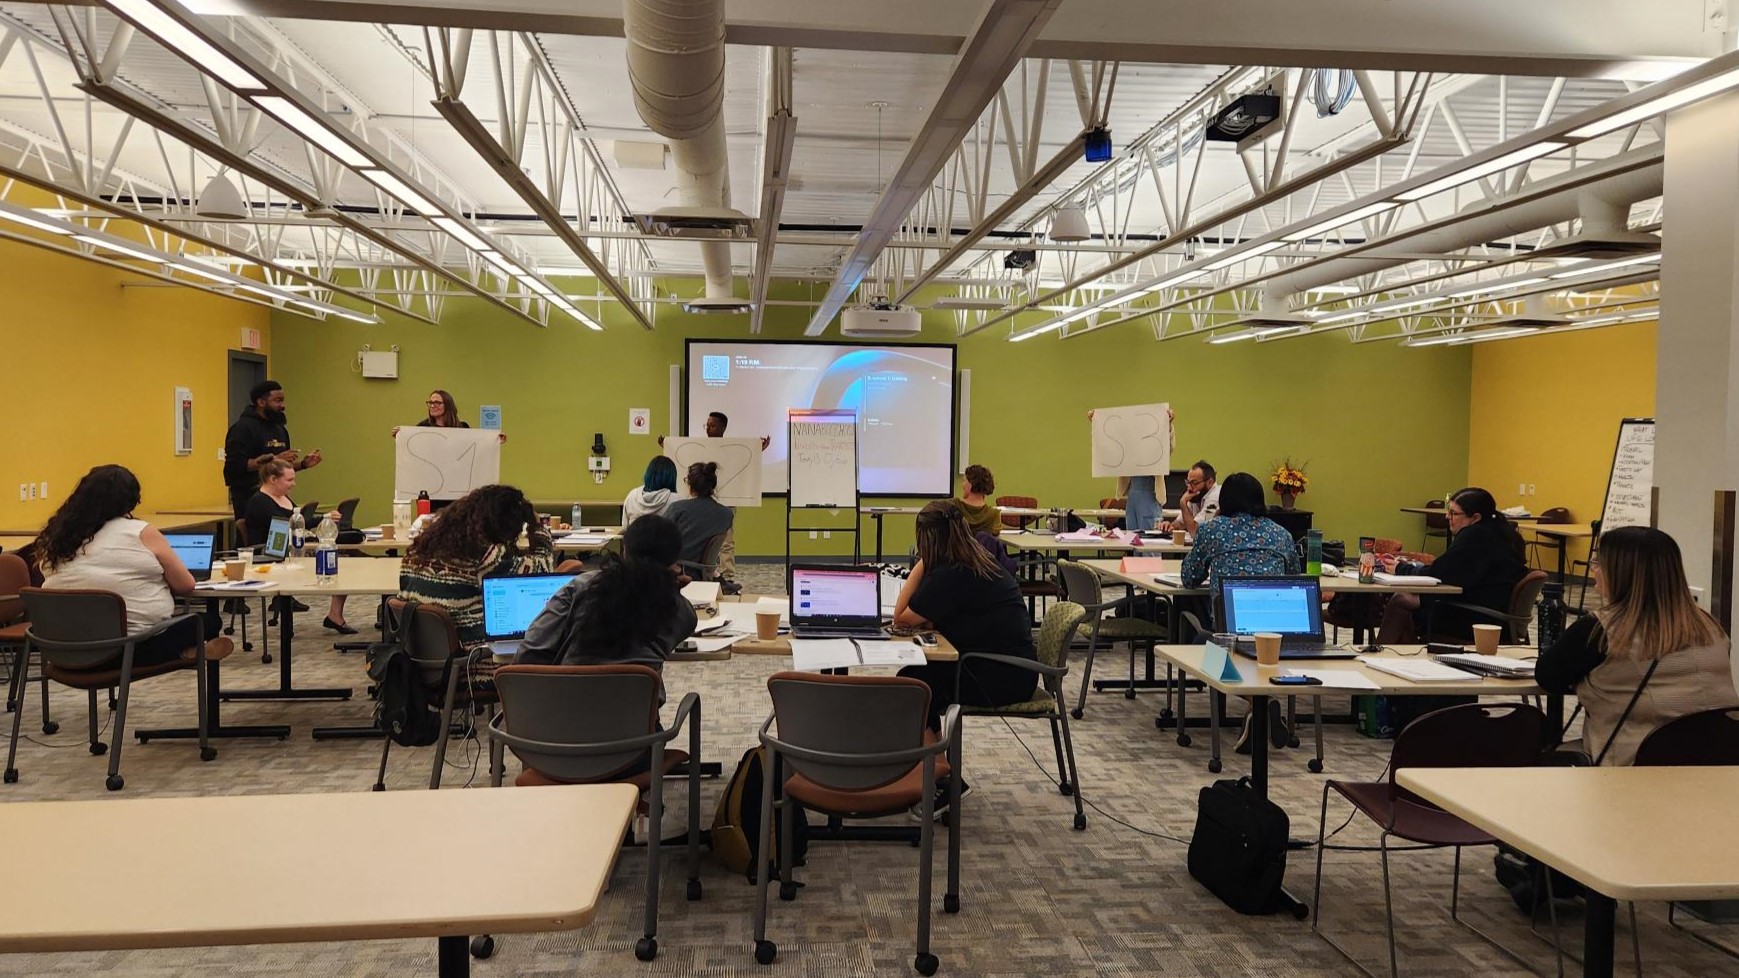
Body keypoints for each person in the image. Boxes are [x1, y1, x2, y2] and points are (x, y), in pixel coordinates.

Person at [1537, 527, 1739, 765]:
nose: (1594, 571)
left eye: (1597, 563)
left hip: (1636, 770)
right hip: (1717, 767)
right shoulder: (1711, 626)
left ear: (1618, 573)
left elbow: (1548, 676)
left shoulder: (1601, 630)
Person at [894, 501, 1038, 816]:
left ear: (928, 540)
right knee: (917, 675)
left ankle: (944, 780)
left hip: (1001, 677)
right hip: (1013, 668)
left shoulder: (952, 572)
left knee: (911, 688)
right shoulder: (975, 561)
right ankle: (940, 772)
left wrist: (922, 563)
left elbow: (901, 616)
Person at [33, 465, 233, 666]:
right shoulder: (141, 532)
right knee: (208, 621)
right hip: (126, 651)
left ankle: (187, 652)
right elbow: (185, 585)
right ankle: (184, 652)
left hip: (60, 651)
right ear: (131, 499)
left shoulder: (59, 537)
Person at [398, 485, 554, 677]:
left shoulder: (417, 551)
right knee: (554, 657)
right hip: (468, 666)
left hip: (415, 665)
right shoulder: (484, 556)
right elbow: (542, 568)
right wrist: (538, 527)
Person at [515, 515, 696, 676]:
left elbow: (530, 652)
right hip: (634, 712)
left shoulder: (581, 587)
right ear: (674, 562)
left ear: (625, 550)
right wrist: (671, 589)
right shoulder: (681, 612)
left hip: (563, 708)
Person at [1376, 487, 1527, 643]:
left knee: (1401, 600)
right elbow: (1451, 569)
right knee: (1406, 602)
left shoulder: (1475, 536)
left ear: (1475, 517)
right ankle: (1402, 655)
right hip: (1496, 613)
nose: (1447, 517)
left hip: (1478, 618)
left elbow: (1439, 574)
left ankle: (1379, 652)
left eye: (1454, 513)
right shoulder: (1505, 533)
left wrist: (1400, 568)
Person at [244, 460, 350, 634]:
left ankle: (334, 614)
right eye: (289, 480)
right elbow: (287, 525)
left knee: (343, 559)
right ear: (272, 479)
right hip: (269, 554)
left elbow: (298, 522)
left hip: (292, 548)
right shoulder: (259, 501)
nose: (293, 484)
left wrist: (323, 518)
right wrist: (321, 520)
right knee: (337, 560)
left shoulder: (282, 497)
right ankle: (333, 615)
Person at [1178, 472, 1301, 617]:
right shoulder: (1281, 534)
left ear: (1224, 501)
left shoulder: (1212, 530)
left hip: (1228, 622)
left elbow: (1189, 577)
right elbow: (1294, 578)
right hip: (1274, 620)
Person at [223, 380, 321, 522]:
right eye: (277, 401)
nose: (283, 406)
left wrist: (303, 464)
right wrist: (270, 461)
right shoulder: (242, 429)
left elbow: (282, 467)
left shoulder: (279, 429)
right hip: (251, 499)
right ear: (261, 402)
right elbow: (235, 466)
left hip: (279, 497)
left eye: (283, 401)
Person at [1086, 408, 1176, 532]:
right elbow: (1110, 444)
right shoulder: (1128, 448)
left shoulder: (1155, 447)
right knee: (1132, 539)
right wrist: (1097, 423)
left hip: (1150, 496)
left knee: (1149, 541)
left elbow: (1169, 446)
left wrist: (1168, 424)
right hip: (1132, 497)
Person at [665, 462, 734, 574]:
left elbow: (659, 539)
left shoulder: (676, 509)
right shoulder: (726, 514)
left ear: (690, 484)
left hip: (677, 571)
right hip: (704, 572)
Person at [390, 390, 506, 442]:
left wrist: (494, 440)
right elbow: (412, 445)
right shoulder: (423, 427)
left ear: (448, 405)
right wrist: (401, 437)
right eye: (430, 402)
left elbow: (476, 447)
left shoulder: (462, 427)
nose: (432, 406)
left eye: (437, 403)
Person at [1161, 460, 1220, 536]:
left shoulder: (1215, 499)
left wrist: (1183, 503)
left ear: (1210, 482)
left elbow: (1195, 532)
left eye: (1194, 483)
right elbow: (1180, 523)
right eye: (1188, 483)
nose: (1189, 488)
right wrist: (1169, 526)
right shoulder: (1197, 495)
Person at [623, 456, 680, 525]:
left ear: (648, 474)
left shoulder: (632, 496)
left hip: (636, 535)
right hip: (665, 535)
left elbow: (625, 528)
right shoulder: (677, 501)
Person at [953, 464, 1002, 536]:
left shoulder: (953, 506)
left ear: (970, 485)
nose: (962, 485)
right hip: (982, 547)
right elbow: (995, 536)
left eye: (964, 481)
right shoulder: (994, 515)